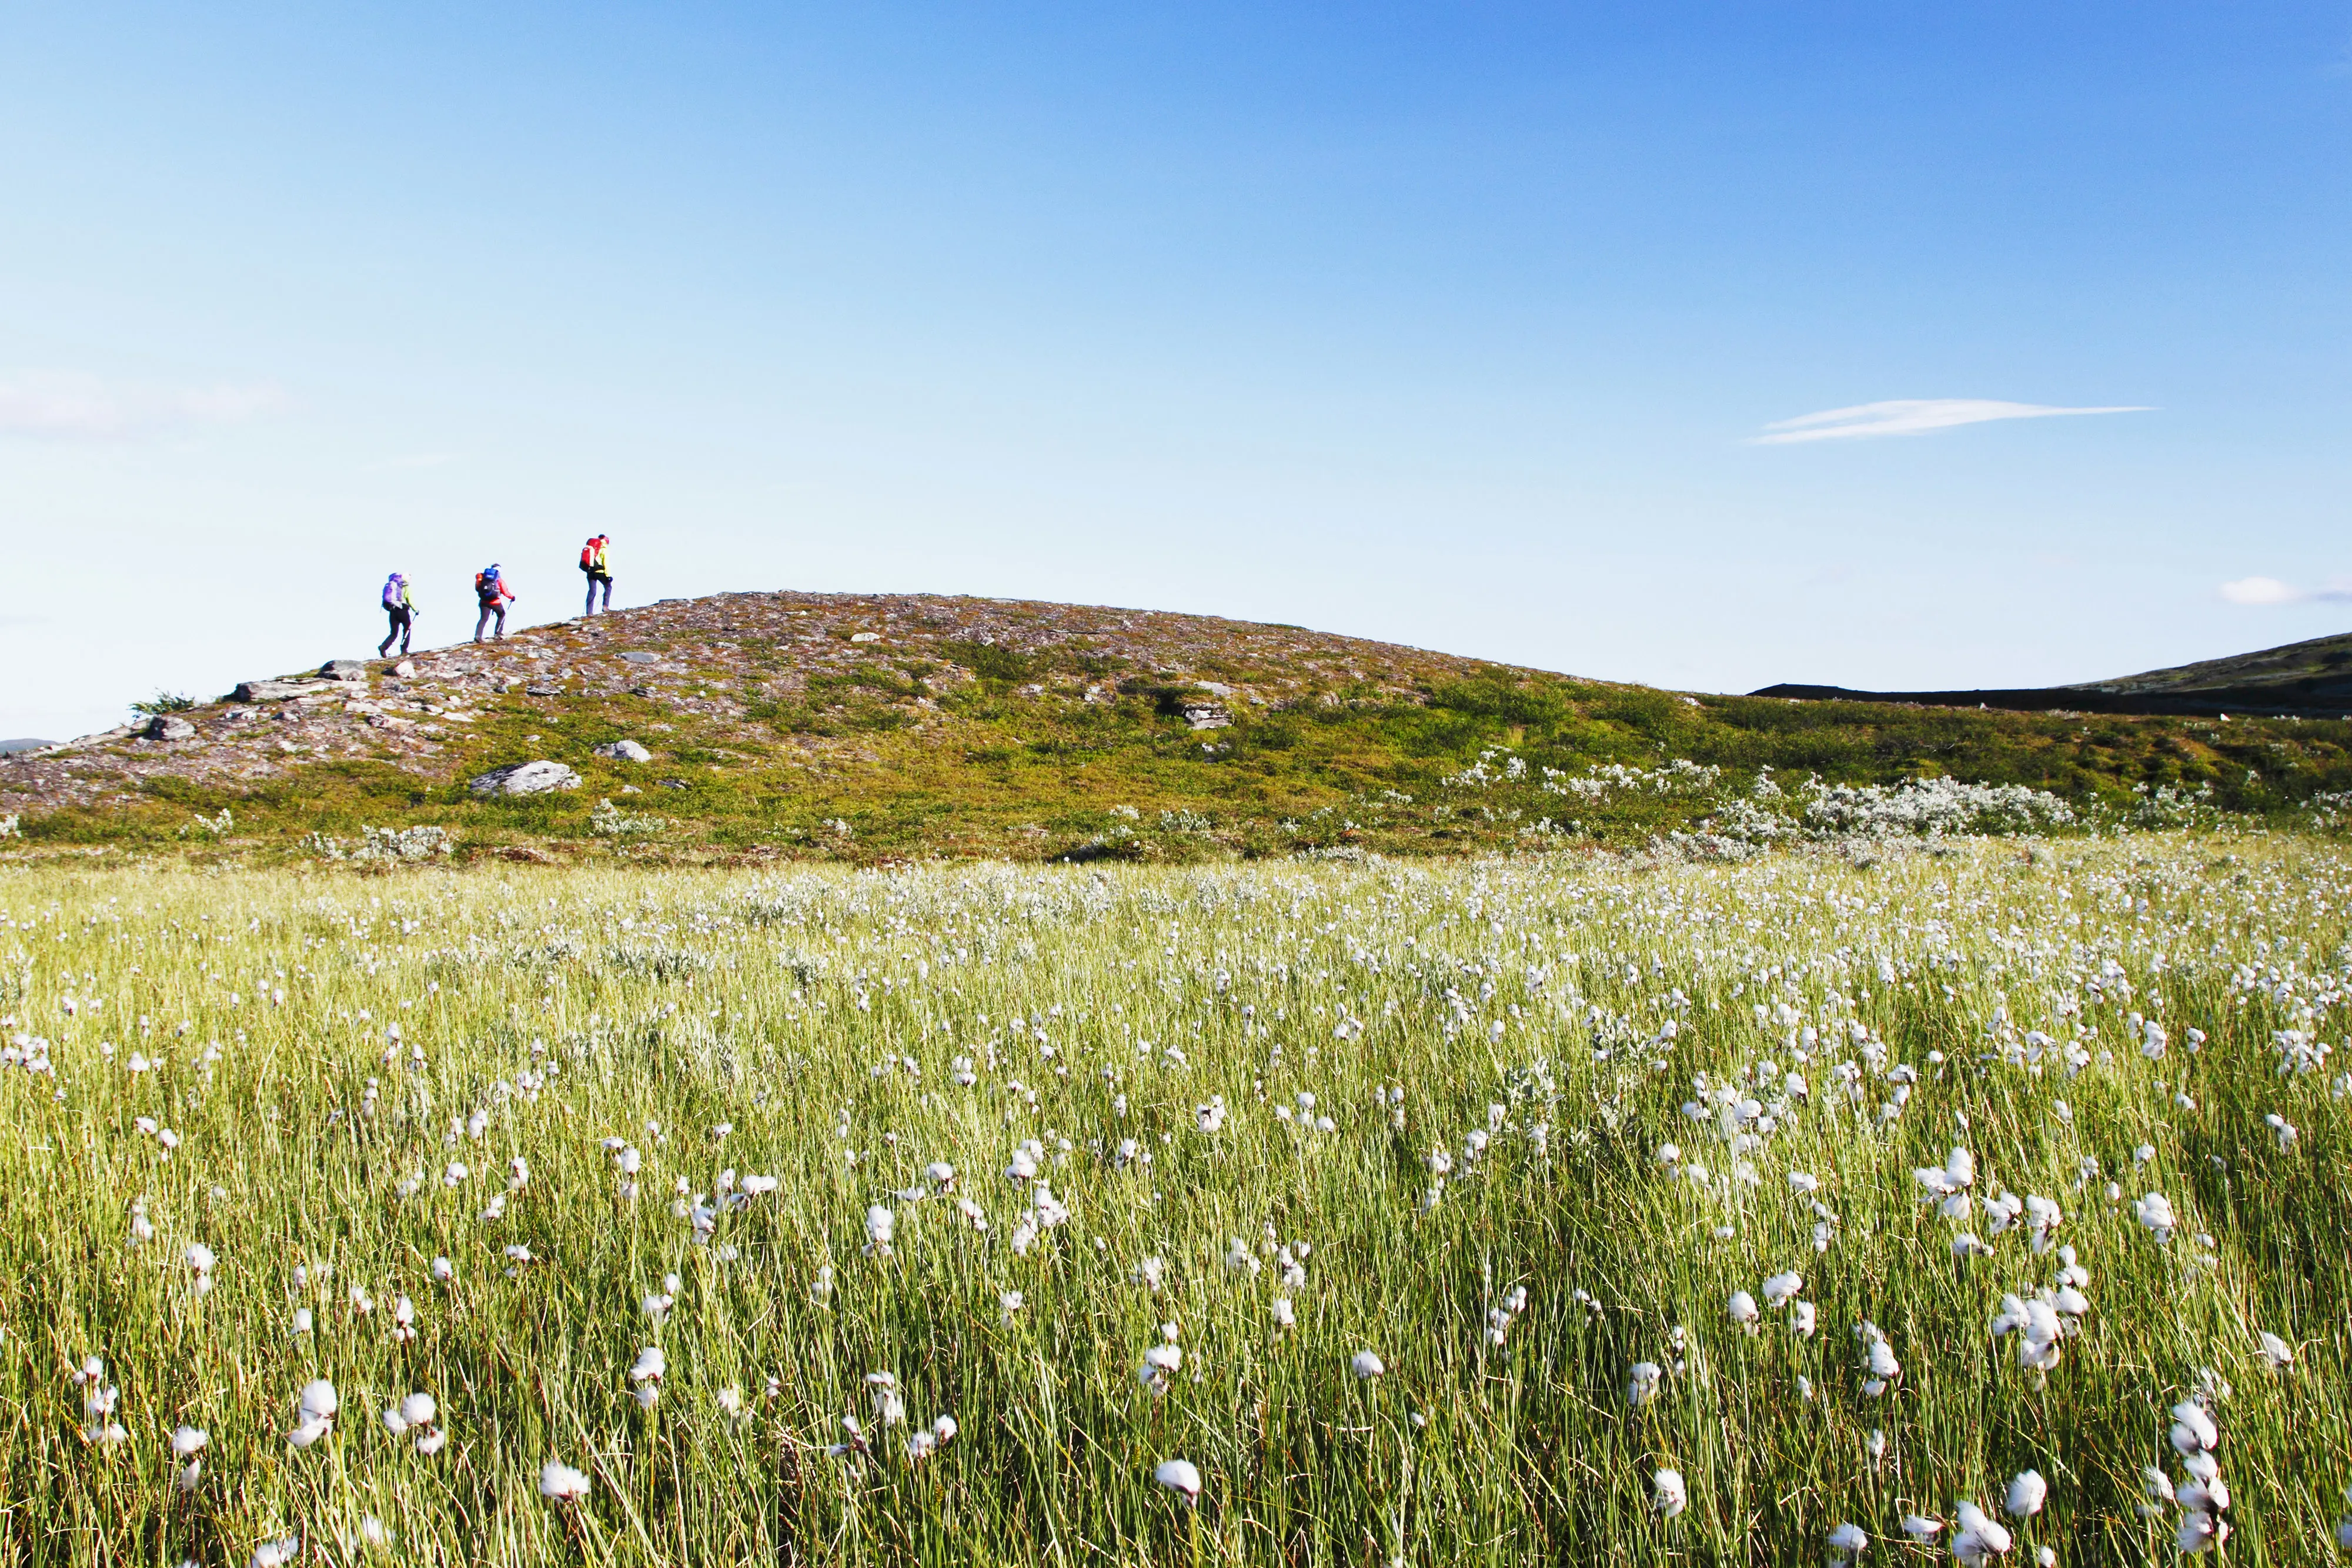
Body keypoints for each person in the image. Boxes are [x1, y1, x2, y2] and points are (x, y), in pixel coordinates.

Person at [473, 563, 517, 643]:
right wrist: (512, 597)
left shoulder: (482, 578)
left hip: (483, 602)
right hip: (495, 602)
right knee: (502, 614)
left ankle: (478, 636)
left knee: (483, 619)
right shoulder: (499, 580)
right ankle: (498, 633)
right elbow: (505, 592)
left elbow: (477, 588)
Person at [378, 573, 417, 657]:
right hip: (403, 611)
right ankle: (404, 650)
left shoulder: (393, 586)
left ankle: (384, 647)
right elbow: (410, 601)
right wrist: (416, 610)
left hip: (393, 611)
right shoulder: (406, 587)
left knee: (394, 633)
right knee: (407, 630)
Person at [580, 534, 614, 615]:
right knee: (608, 587)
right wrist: (608, 575)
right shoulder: (604, 549)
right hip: (600, 572)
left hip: (590, 571)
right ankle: (605, 606)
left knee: (592, 591)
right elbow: (606, 563)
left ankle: (589, 612)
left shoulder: (592, 547)